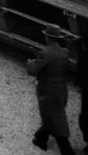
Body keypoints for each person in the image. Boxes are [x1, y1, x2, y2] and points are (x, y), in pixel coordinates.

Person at [27, 24, 76, 155]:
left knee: (55, 119)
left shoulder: (45, 53)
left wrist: (30, 62)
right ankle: (40, 137)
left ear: (47, 37)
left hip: (47, 89)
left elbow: (33, 70)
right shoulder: (65, 53)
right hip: (61, 88)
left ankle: (66, 150)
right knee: (55, 114)